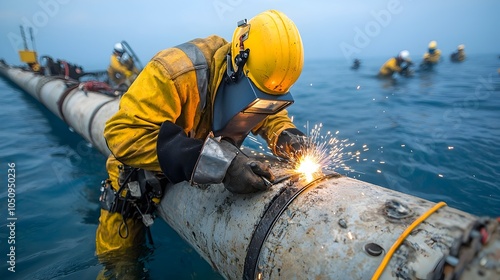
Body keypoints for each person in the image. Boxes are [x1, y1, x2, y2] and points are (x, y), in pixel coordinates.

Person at [96, 9, 307, 277]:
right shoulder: (176, 70)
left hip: (186, 173)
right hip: (137, 183)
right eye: (255, 94)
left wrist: (286, 134)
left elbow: (269, 113)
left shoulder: (253, 77)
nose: (257, 107)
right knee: (121, 269)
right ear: (236, 67)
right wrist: (222, 164)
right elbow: (121, 134)